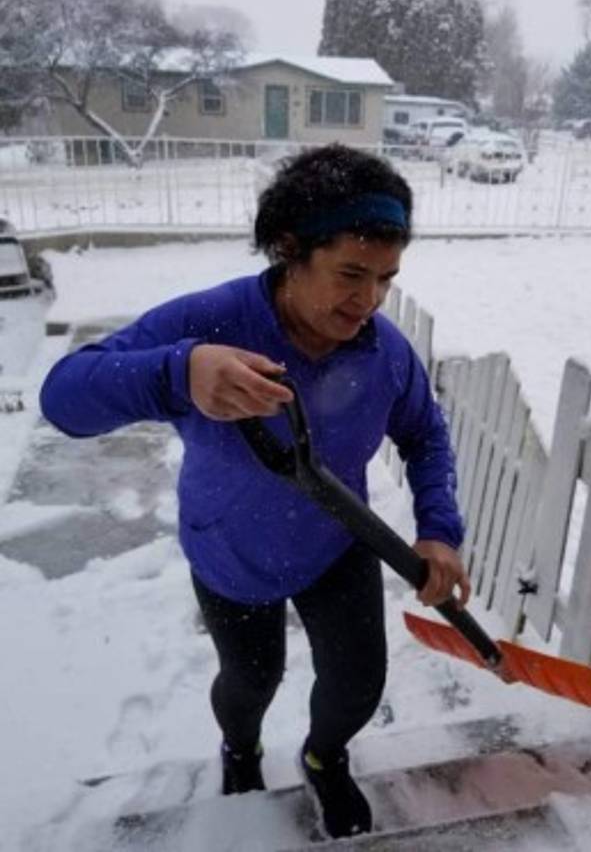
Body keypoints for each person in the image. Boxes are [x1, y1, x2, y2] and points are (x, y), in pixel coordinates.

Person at [40, 144, 470, 840]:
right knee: (251, 683)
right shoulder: (211, 323)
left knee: (359, 683)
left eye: (386, 278)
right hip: (231, 551)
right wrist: (178, 374)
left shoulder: (382, 350)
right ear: (290, 250)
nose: (369, 301)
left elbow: (425, 434)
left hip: (339, 542)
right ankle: (240, 748)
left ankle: (324, 757)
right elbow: (64, 398)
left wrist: (439, 530)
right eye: (350, 274)